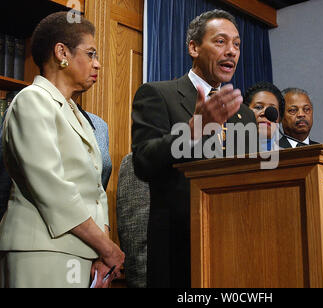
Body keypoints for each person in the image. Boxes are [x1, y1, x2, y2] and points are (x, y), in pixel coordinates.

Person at [132, 9, 256, 288]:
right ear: (194, 47)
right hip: (179, 249)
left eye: (237, 44)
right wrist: (192, 131)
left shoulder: (244, 115)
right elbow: (143, 162)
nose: (231, 51)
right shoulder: (157, 94)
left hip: (235, 244)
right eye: (221, 41)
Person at [0, 12, 124, 288]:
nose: (98, 64)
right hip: (42, 250)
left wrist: (100, 251)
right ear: (61, 53)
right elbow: (53, 188)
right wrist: (106, 247)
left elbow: (95, 190)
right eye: (91, 54)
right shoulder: (32, 100)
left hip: (83, 252)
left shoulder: (79, 115)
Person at [243, 81, 284, 151]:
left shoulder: (289, 157)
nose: (265, 113)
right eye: (258, 107)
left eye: (272, 109)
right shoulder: (230, 154)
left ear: (279, 118)